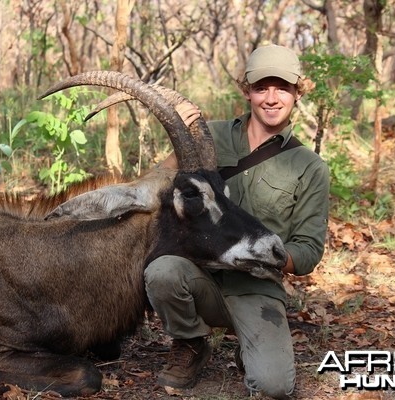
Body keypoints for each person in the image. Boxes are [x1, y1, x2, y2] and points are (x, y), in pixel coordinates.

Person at [144, 44, 330, 399]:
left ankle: (251, 345)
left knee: (274, 386)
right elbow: (157, 183)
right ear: (246, 90)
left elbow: (307, 251)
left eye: (282, 88)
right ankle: (190, 342)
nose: (272, 98)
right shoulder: (206, 137)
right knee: (162, 270)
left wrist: (271, 255)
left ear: (298, 92)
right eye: (262, 88)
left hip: (255, 286)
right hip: (200, 276)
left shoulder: (310, 167)